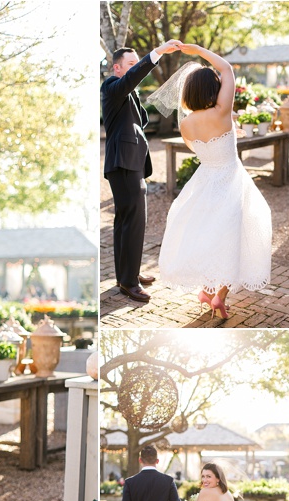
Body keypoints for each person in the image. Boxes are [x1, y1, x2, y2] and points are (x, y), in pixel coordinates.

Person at [150, 44, 272, 320]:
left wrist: (229, 132)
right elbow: (227, 68)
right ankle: (219, 297)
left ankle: (206, 290)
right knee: (234, 238)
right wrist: (195, 49)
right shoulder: (221, 112)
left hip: (204, 182)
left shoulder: (186, 124)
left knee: (210, 236)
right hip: (230, 182)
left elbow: (201, 148)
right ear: (212, 90)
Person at [101, 39, 183, 304]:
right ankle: (129, 283)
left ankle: (128, 274)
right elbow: (131, 80)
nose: (136, 67)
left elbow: (140, 117)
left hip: (129, 162)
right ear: (117, 68)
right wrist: (157, 53)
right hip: (123, 163)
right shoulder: (112, 86)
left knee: (126, 222)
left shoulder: (127, 93)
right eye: (131, 64)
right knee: (133, 221)